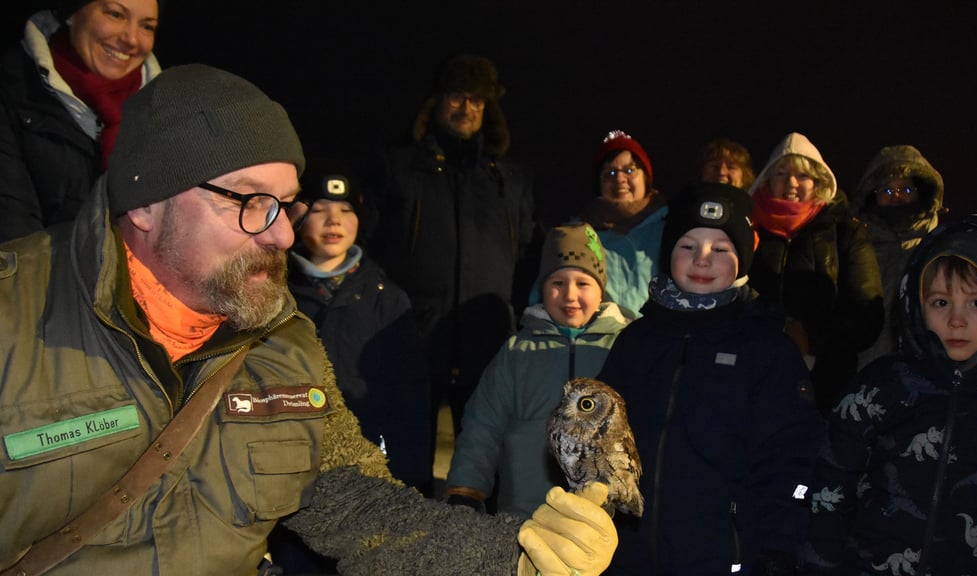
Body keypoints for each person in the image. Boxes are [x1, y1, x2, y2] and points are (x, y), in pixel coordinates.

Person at [0, 63, 616, 576]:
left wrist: (515, 554)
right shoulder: (15, 316)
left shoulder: (281, 339)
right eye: (251, 202)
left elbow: (351, 504)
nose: (283, 232)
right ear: (148, 205)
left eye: (286, 203)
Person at [598, 182, 824, 574]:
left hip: (722, 554)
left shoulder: (766, 348)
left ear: (743, 259)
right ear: (668, 252)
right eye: (688, 246)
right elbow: (597, 436)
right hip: (627, 553)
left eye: (721, 249)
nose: (702, 259)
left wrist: (779, 548)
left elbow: (789, 457)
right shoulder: (637, 340)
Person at [800, 214, 977, 575]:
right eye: (940, 302)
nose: (957, 320)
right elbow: (831, 484)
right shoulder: (883, 385)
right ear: (916, 304)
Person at [268, 162, 435, 573]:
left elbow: (411, 395)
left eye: (345, 211)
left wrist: (408, 473)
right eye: (321, 209)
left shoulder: (388, 300)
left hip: (366, 479)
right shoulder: (273, 295)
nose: (333, 222)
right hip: (293, 481)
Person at [366, 53, 536, 449]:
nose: (467, 108)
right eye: (458, 96)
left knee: (482, 468)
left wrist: (512, 320)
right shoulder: (397, 168)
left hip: (487, 346)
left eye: (477, 100)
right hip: (411, 341)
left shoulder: (510, 180)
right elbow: (367, 248)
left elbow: (528, 256)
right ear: (437, 101)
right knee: (405, 465)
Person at [446, 222, 633, 517]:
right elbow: (483, 426)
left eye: (583, 284)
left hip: (601, 521)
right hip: (525, 512)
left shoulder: (624, 347)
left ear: (601, 290)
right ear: (542, 289)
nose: (569, 295)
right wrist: (465, 490)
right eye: (557, 284)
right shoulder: (517, 352)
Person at [0, 0, 160, 242]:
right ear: (72, 13)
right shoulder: (13, 92)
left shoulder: (170, 109)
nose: (132, 39)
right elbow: (15, 238)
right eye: (115, 14)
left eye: (147, 27)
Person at [746, 132, 884, 414]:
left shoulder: (845, 231)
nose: (791, 183)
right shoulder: (748, 230)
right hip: (753, 380)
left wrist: (810, 339)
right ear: (767, 180)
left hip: (826, 390)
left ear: (818, 182)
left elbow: (866, 314)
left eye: (803, 176)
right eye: (781, 173)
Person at [851, 144, 945, 369]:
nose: (897, 198)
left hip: (925, 373)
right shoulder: (855, 248)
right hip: (864, 370)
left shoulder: (939, 248)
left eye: (907, 190)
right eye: (887, 191)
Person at [578, 129, 667, 317]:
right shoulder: (578, 236)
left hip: (658, 342)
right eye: (609, 173)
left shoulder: (671, 230)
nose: (619, 179)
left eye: (629, 170)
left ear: (645, 177)